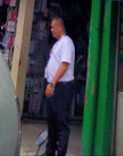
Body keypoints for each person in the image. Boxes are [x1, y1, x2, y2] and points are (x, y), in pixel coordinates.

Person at [44, 16, 75, 156]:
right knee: (52, 122)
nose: (51, 30)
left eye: (52, 27)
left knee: (61, 123)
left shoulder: (67, 42)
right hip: (54, 86)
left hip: (62, 87)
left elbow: (64, 64)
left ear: (60, 27)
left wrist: (52, 83)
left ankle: (60, 154)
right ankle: (49, 152)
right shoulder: (57, 44)